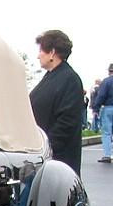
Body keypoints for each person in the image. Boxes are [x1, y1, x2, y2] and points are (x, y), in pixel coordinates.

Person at [28, 30, 84, 174]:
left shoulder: (69, 79)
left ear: (52, 52)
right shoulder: (51, 77)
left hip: (58, 161)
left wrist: (46, 148)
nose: (38, 55)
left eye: (41, 50)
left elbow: (66, 123)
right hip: (45, 158)